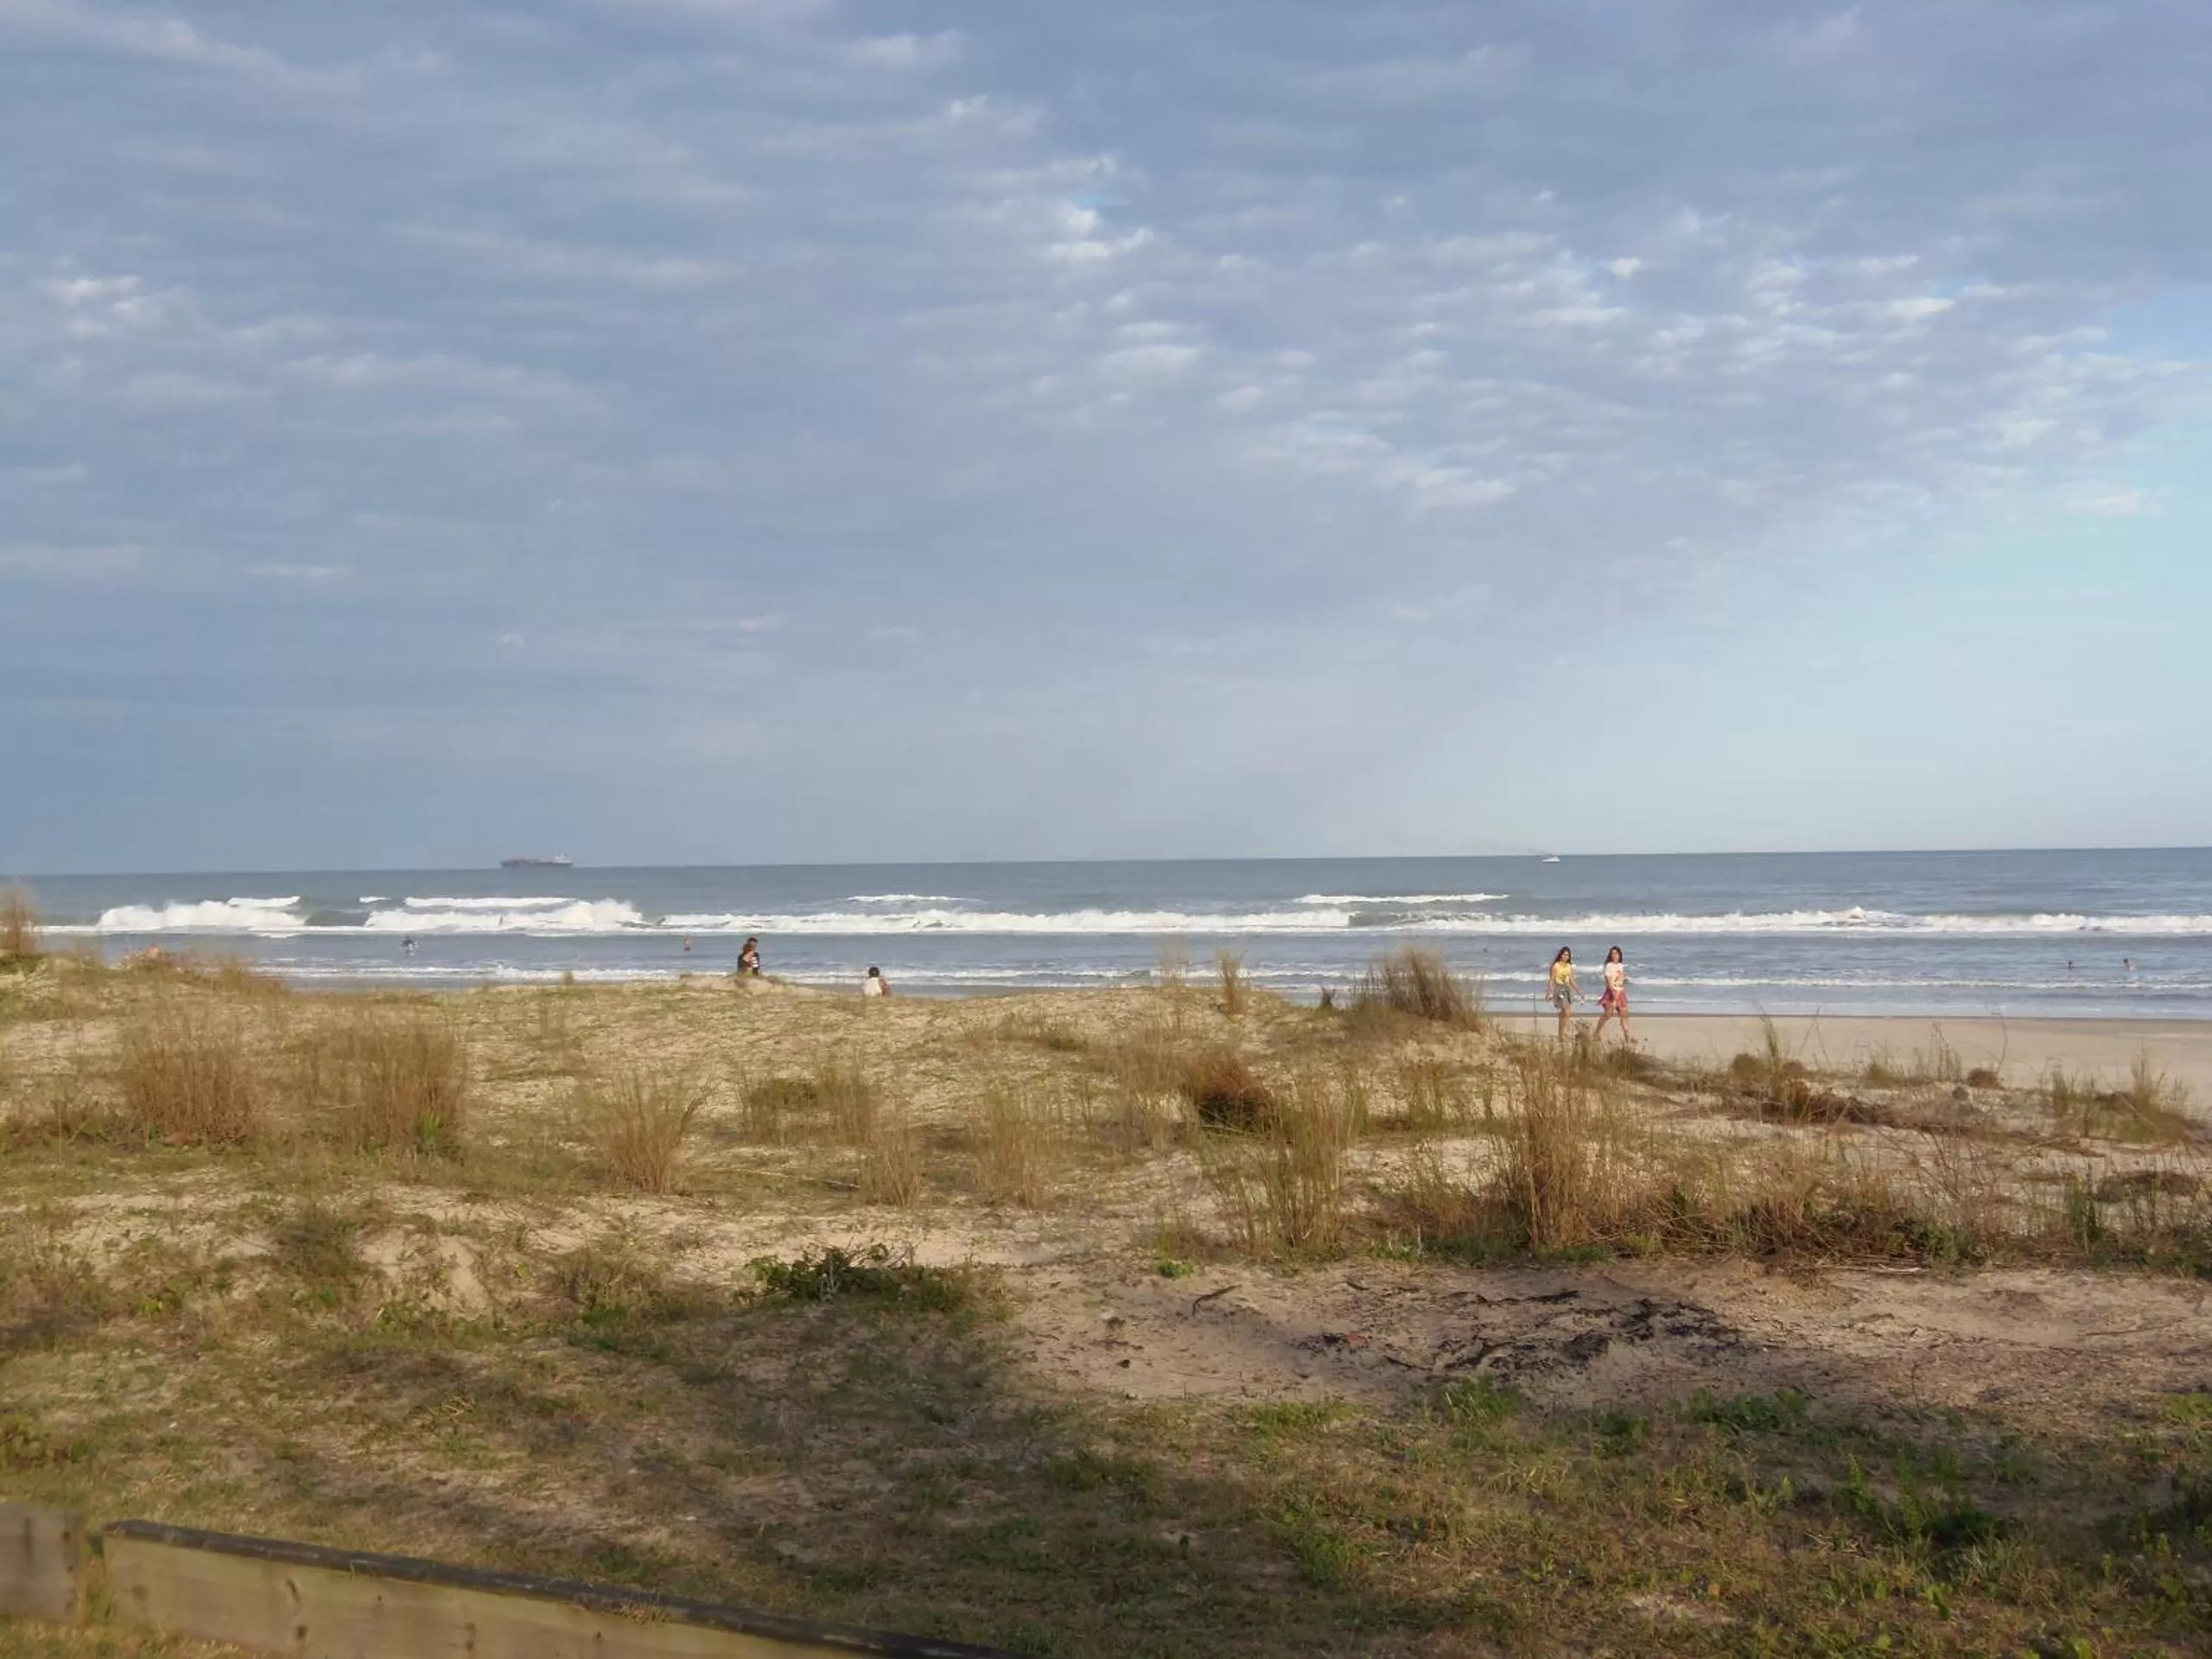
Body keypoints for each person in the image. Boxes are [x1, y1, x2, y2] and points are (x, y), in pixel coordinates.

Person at [1591, 945, 1630, 1046]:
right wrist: (1613, 991)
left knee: (1624, 1014)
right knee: (1608, 1014)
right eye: (1613, 953)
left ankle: (1627, 1037)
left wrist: (1622, 985)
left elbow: (1621, 977)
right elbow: (1608, 980)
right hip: (1611, 991)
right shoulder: (1609, 966)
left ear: (1619, 955)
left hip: (1620, 991)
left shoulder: (1620, 965)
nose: (1614, 955)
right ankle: (1597, 1032)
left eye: (1616, 953)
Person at [1547, 946, 1580, 1039]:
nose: (1565, 957)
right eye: (1564, 955)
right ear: (1561, 955)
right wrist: (1549, 992)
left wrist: (1579, 992)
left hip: (1567, 990)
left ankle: (1562, 1031)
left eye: (1567, 955)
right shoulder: (1556, 966)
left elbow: (1572, 980)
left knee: (1568, 1012)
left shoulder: (1570, 967)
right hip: (1558, 989)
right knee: (1566, 1011)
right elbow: (1552, 979)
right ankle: (1563, 1032)